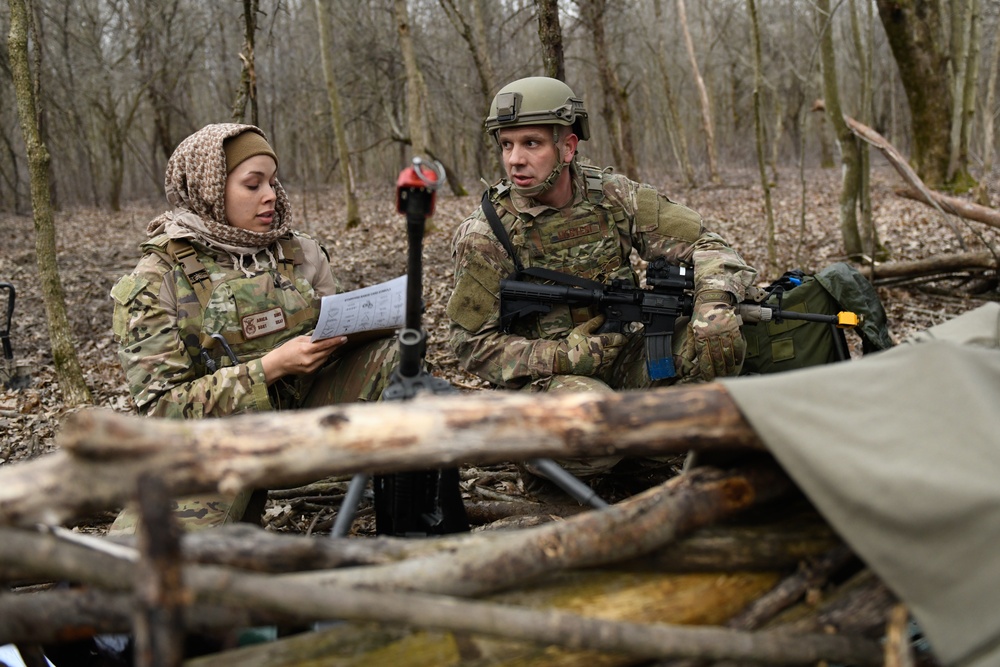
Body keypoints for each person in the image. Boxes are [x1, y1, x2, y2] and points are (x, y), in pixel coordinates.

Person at [446, 77, 757, 494]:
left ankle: (645, 467)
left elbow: (709, 243)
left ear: (568, 147)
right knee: (598, 421)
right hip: (551, 382)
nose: (515, 160)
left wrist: (713, 303)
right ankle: (563, 478)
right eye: (507, 145)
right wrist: (562, 357)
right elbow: (469, 344)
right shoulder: (486, 235)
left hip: (628, 353)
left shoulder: (612, 197)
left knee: (719, 343)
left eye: (531, 144)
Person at [108, 123, 398, 532]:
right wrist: (270, 367)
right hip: (211, 450)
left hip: (304, 428)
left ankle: (409, 525)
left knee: (401, 360)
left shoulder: (301, 253)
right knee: (151, 567)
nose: (271, 196)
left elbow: (340, 337)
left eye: (273, 182)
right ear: (210, 189)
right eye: (252, 184)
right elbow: (162, 410)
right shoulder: (156, 281)